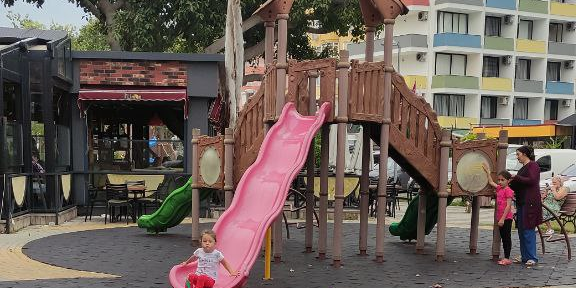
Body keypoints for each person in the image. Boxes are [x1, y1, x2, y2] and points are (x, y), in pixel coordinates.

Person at [508, 145, 542, 266]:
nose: (517, 157)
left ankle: (532, 257)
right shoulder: (523, 168)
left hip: (530, 202)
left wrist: (515, 177)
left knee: (528, 229)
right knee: (521, 230)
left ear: (525, 154)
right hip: (522, 202)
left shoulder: (533, 165)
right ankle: (525, 256)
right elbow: (519, 184)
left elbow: (532, 180)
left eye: (518, 154)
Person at [482, 164, 514, 265]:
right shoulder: (500, 188)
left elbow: (508, 206)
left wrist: (502, 219)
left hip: (506, 218)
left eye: (502, 180)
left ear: (508, 181)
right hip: (500, 217)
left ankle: (507, 257)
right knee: (503, 237)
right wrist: (488, 172)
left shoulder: (508, 191)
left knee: (506, 238)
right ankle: (505, 257)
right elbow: (491, 182)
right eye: (499, 180)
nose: (500, 182)